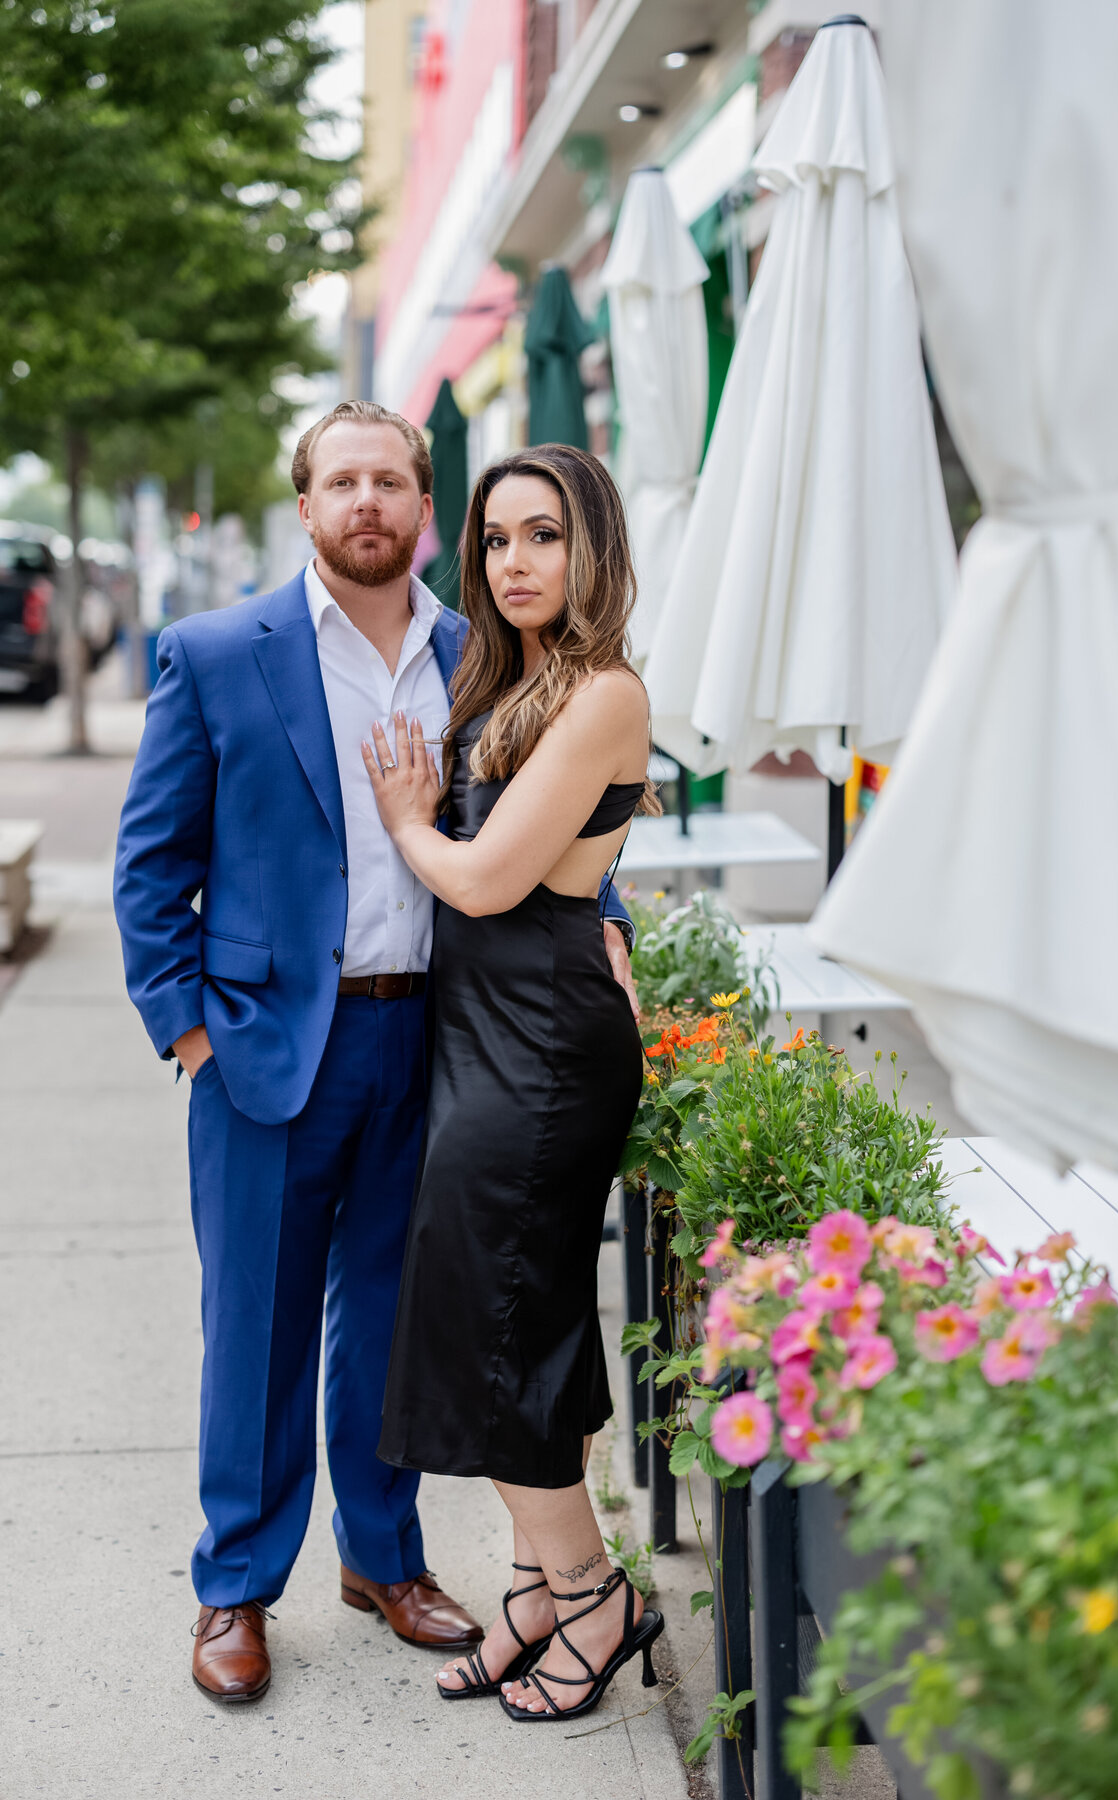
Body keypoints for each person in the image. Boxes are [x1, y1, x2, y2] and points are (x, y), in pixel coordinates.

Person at [112, 403, 637, 1704]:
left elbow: (554, 816)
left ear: (420, 504)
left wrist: (611, 930)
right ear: (304, 505)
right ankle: (235, 1587)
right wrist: (189, 1033)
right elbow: (148, 865)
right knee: (259, 1326)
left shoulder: (483, 650)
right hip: (262, 1053)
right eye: (341, 480)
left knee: (398, 1329)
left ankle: (386, 1560)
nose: (367, 501)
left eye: (391, 480)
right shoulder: (220, 651)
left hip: (440, 1044)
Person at [362, 444, 665, 1721]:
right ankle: (541, 1591)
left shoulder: (603, 690)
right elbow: (561, 868)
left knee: (501, 1320)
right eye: (494, 540)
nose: (516, 562)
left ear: (588, 545)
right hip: (491, 1026)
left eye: (542, 536)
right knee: (485, 1308)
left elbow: (490, 880)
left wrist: (407, 825)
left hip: (542, 1046)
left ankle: (596, 1598)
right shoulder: (511, 677)